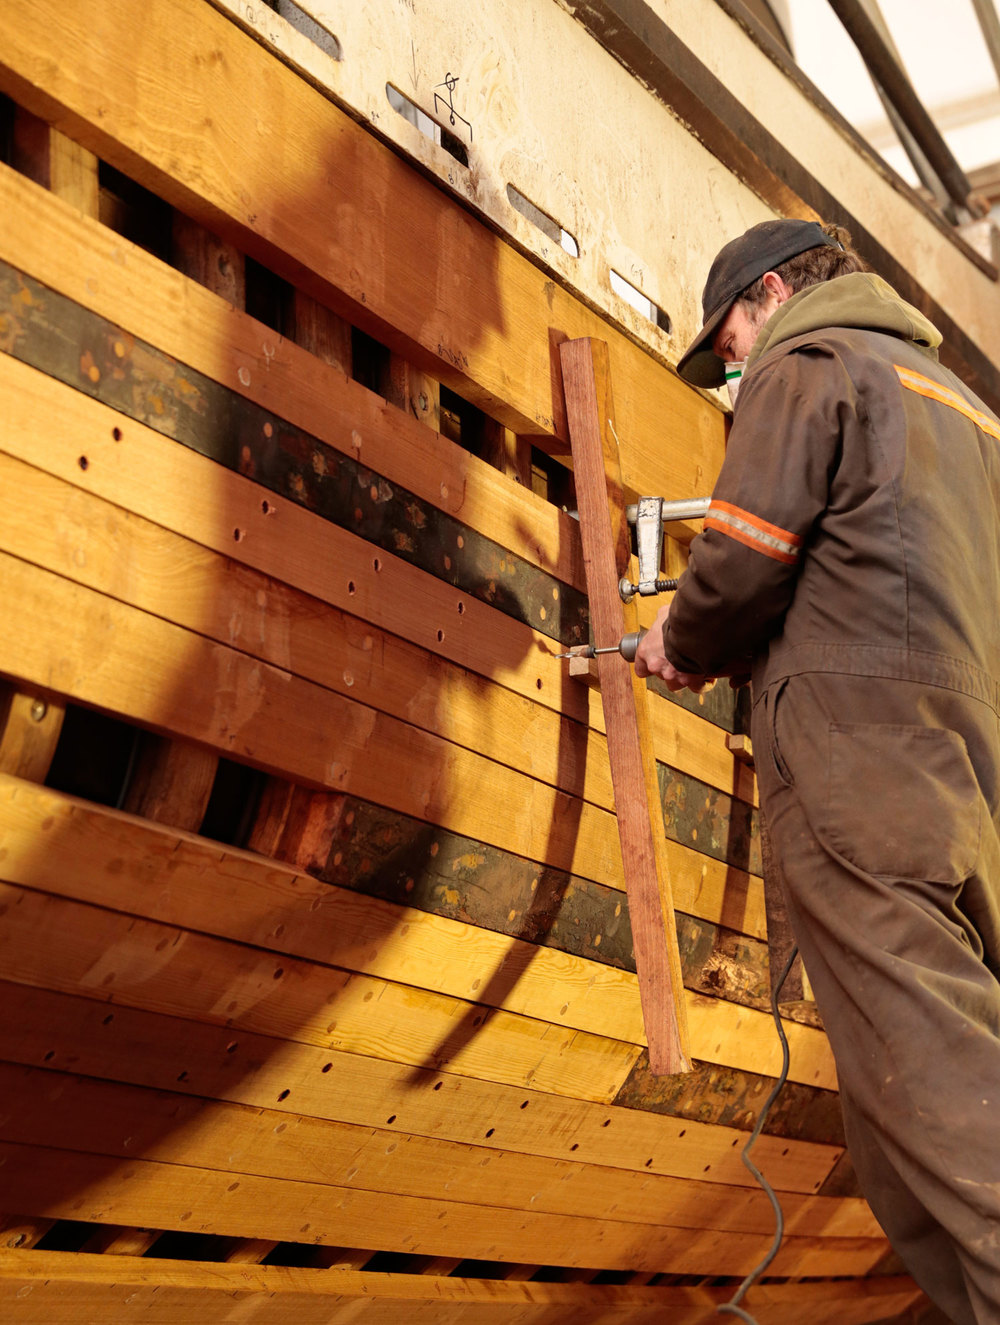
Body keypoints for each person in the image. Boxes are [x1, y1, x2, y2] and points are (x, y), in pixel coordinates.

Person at [634, 217, 1000, 1322]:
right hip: (963, 770)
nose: (736, 365)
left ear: (777, 288)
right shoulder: (964, 408)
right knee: (905, 1121)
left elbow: (745, 551)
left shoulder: (810, 360)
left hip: (855, 772)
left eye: (732, 337)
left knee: (938, 1096)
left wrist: (681, 643)